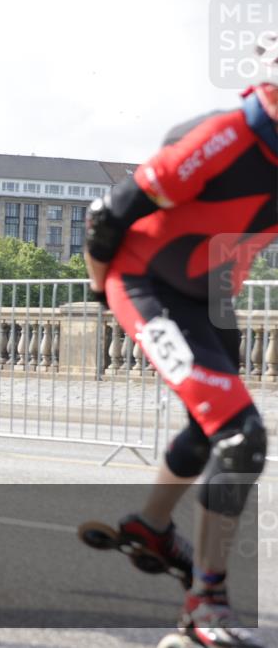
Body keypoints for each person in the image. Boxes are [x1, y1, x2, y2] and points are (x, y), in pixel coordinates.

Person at [84, 80, 276, 647]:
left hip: (212, 297)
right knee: (241, 437)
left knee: (207, 427)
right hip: (145, 284)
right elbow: (106, 218)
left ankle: (152, 527)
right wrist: (104, 297)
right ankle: (204, 606)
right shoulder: (227, 135)